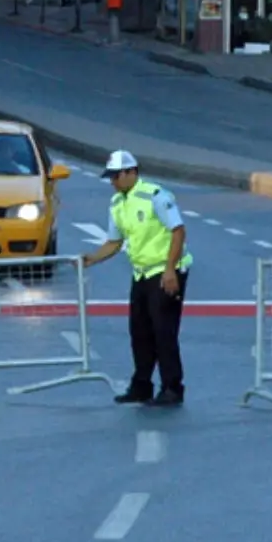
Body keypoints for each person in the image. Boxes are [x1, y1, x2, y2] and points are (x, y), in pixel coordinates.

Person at [82, 150, 192, 407]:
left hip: (164, 271)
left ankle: (172, 387)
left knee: (164, 331)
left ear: (131, 172)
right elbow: (114, 241)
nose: (113, 182)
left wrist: (170, 270)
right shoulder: (117, 203)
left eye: (116, 176)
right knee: (140, 332)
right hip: (141, 272)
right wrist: (92, 259)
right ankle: (142, 386)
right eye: (110, 177)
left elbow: (178, 231)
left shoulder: (154, 196)